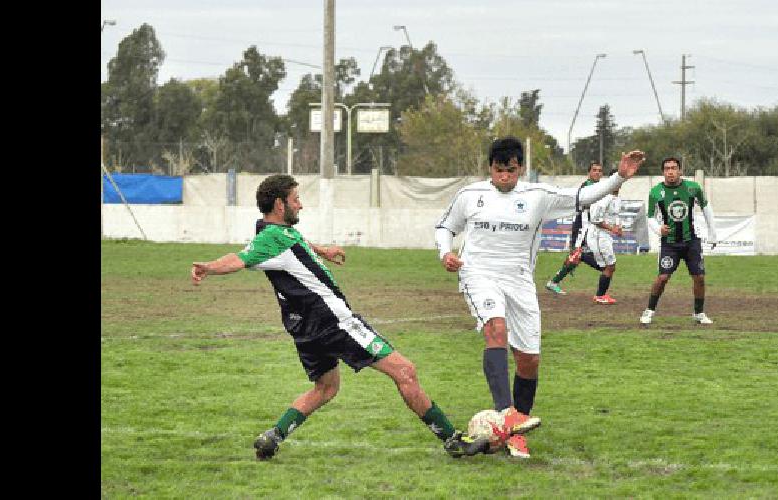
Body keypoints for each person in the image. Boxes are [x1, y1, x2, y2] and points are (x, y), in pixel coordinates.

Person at [191, 174, 488, 460]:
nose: (301, 204)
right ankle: (453, 441)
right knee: (405, 371)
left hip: (305, 330)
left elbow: (294, 243)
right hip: (335, 323)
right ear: (280, 205)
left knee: (327, 388)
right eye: (296, 199)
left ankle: (273, 436)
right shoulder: (270, 239)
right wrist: (209, 267)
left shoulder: (275, 233)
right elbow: (238, 260)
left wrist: (323, 250)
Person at [435, 137, 645, 458]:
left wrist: (619, 177)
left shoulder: (538, 196)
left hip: (520, 280)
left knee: (529, 360)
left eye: (510, 170)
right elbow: (445, 227)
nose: (504, 176)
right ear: (489, 168)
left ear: (520, 169)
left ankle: (516, 430)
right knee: (496, 329)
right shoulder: (470, 195)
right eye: (498, 170)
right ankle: (507, 416)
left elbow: (583, 196)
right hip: (478, 273)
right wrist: (445, 252)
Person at [639, 157, 718, 326]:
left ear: (680, 170)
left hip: (691, 241)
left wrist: (713, 233)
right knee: (662, 278)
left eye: (674, 168)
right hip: (670, 243)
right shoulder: (655, 192)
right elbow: (650, 217)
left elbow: (706, 207)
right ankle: (649, 310)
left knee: (699, 277)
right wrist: (658, 228)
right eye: (667, 168)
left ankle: (699, 313)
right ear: (663, 172)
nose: (670, 172)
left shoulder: (693, 188)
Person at [544, 161, 603, 295]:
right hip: (582, 226)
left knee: (578, 257)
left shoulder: (598, 187)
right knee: (578, 256)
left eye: (599, 170)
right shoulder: (587, 186)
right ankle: (553, 282)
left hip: (591, 227)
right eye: (594, 170)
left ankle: (554, 282)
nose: (597, 173)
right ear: (589, 172)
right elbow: (586, 205)